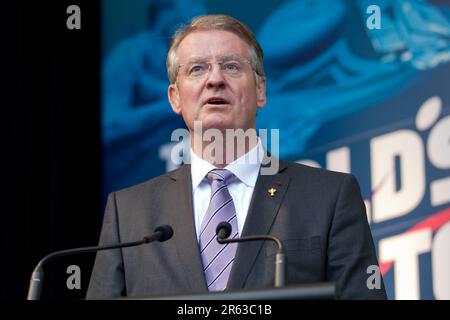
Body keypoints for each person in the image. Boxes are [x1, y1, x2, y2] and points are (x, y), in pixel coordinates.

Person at [86, 14, 387, 299]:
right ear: (175, 98)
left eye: (231, 66)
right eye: (197, 69)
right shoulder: (128, 213)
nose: (215, 79)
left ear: (260, 90)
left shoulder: (329, 197)